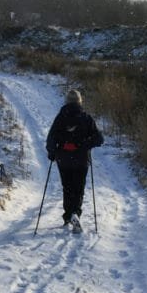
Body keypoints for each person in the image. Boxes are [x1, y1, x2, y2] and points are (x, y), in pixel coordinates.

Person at [45, 89, 104, 231]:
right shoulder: (86, 118)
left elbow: (51, 138)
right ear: (79, 101)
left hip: (63, 159)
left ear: (66, 101)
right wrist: (84, 145)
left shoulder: (60, 118)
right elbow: (99, 139)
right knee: (78, 188)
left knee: (67, 187)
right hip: (81, 159)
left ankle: (68, 216)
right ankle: (75, 213)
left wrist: (52, 152)